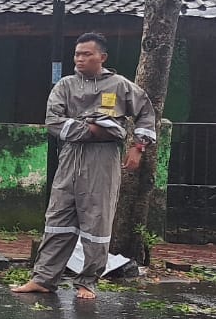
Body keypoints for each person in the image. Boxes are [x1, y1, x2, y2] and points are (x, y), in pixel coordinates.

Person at [12, 32, 157, 300]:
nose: (79, 59)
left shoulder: (120, 86)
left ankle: (88, 281)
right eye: (77, 54)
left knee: (96, 218)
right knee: (58, 217)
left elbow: (146, 112)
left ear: (101, 57)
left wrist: (137, 147)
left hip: (103, 159)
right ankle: (44, 278)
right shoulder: (65, 86)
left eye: (86, 54)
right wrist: (94, 129)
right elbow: (53, 121)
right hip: (70, 156)